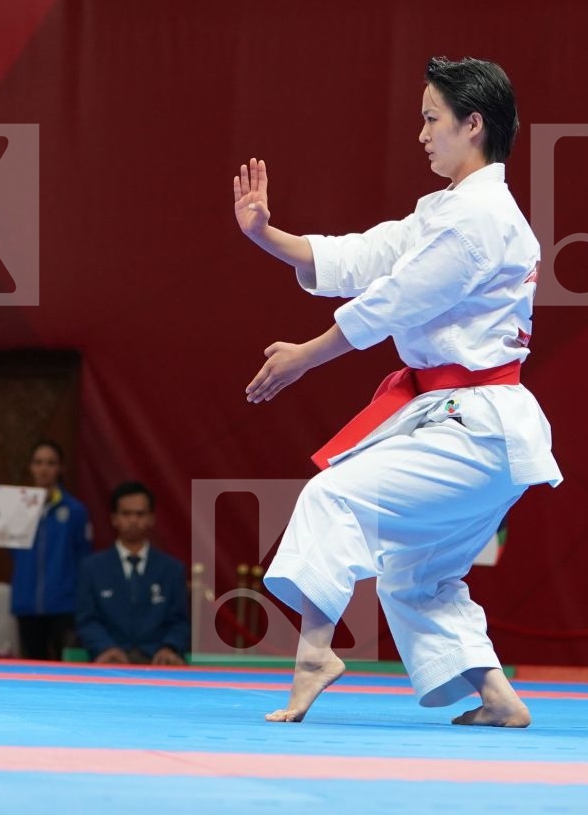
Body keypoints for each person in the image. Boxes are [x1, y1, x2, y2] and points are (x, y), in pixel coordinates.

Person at [237, 56, 561, 725]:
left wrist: (306, 355)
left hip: (474, 422)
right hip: (477, 425)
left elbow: (394, 301)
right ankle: (499, 700)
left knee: (334, 496)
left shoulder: (479, 220)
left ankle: (314, 657)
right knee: (419, 575)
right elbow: (367, 256)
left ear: (473, 124)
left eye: (431, 119)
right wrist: (266, 235)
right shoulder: (450, 211)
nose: (421, 133)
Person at [73, 481, 189, 666]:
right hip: (110, 661)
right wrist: (105, 647)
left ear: (151, 518)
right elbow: (86, 620)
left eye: (140, 514)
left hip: (158, 661)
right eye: (126, 514)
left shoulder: (172, 569)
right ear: (114, 519)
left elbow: (180, 622)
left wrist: (170, 647)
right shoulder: (92, 568)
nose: (133, 520)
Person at [10, 439, 93, 661]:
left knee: (63, 669)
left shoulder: (75, 511)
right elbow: (13, 552)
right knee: (31, 669)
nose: (44, 469)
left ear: (60, 468)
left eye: (50, 463)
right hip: (26, 604)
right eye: (38, 462)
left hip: (63, 606)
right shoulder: (17, 510)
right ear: (30, 467)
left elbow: (84, 557)